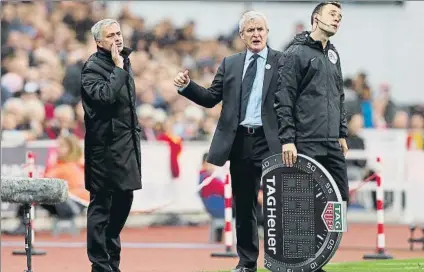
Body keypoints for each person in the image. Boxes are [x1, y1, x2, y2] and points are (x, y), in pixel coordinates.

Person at [174, 11, 281, 272]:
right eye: (250, 30)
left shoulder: (283, 62)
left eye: (260, 29)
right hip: (241, 142)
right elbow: (212, 98)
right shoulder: (230, 63)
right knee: (244, 206)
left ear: (267, 33)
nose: (256, 34)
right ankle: (247, 262)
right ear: (242, 36)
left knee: (277, 203)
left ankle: (281, 260)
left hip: (271, 142)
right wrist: (187, 86)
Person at [275, 1, 348, 268]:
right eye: (332, 14)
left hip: (331, 142)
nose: (337, 19)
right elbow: (284, 98)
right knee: (301, 203)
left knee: (340, 201)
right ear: (315, 19)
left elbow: (339, 95)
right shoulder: (295, 53)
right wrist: (287, 139)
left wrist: (342, 133)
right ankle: (299, 261)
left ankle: (318, 258)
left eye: (340, 16)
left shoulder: (334, 54)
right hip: (305, 141)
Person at [80, 19, 142, 272]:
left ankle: (112, 262)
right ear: (98, 41)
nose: (117, 38)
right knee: (101, 207)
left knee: (124, 201)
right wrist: (117, 69)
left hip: (126, 146)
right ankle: (100, 264)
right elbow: (104, 97)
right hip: (103, 149)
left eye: (119, 33)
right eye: (110, 35)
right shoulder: (91, 68)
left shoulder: (124, 62)